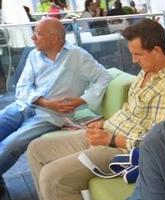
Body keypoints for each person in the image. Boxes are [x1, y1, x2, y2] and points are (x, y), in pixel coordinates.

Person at [26, 19, 165, 200]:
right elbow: (129, 110)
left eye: (137, 55)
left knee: (53, 176)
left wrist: (111, 139)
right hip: (107, 133)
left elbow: (156, 145)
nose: (134, 60)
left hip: (120, 151)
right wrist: (104, 122)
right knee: (36, 150)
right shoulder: (148, 72)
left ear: (156, 50)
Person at [0, 18, 111, 183]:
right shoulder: (33, 55)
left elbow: (104, 77)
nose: (33, 38)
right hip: (24, 106)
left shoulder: (77, 56)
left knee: (12, 144)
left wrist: (81, 101)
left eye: (37, 33)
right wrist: (44, 102)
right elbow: (22, 87)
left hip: (49, 116)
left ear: (54, 38)